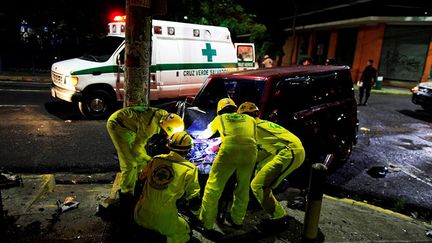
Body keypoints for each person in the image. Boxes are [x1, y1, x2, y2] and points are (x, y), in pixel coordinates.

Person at [237, 102, 306, 230]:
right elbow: (263, 149)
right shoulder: (262, 123)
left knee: (258, 185)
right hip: (290, 149)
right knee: (260, 168)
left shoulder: (251, 127)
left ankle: (279, 219)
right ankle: (264, 199)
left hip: (289, 152)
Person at [106, 106, 184, 211]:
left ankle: (137, 185)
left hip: (129, 124)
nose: (168, 137)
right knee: (130, 164)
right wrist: (151, 160)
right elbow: (136, 151)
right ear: (165, 130)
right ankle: (126, 197)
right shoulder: (150, 128)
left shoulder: (165, 116)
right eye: (168, 135)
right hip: (117, 124)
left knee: (140, 161)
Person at [199, 98, 258, 230]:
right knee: (243, 187)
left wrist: (196, 138)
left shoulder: (220, 119)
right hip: (250, 152)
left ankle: (206, 222)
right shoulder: (250, 120)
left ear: (219, 110)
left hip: (229, 152)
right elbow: (250, 137)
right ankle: (237, 220)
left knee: (213, 187)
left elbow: (205, 135)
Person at [134, 131, 201, 243]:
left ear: (169, 146)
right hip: (164, 221)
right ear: (188, 150)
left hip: (140, 214)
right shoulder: (189, 169)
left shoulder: (155, 159)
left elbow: (140, 178)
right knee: (185, 231)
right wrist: (197, 215)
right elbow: (194, 200)